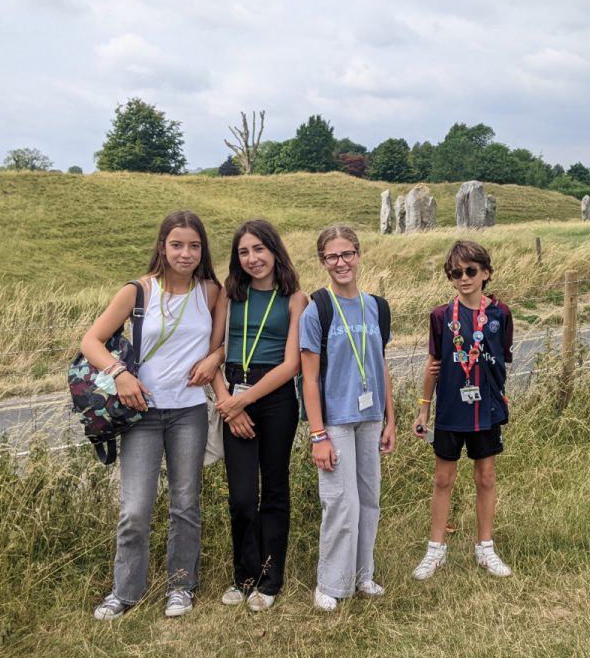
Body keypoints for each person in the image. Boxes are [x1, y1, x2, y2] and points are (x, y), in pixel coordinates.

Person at [84, 210, 222, 620]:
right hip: (141, 413)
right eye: (177, 244)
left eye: (194, 246)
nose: (185, 253)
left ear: (203, 250)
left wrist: (213, 359)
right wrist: (120, 374)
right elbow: (91, 341)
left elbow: (222, 342)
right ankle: (125, 591)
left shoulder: (210, 292)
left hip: (189, 412)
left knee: (185, 504)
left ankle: (181, 586)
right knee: (135, 508)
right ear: (162, 246)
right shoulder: (138, 291)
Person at [208, 220, 308, 611]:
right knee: (242, 497)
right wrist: (227, 403)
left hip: (276, 399)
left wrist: (244, 401)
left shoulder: (295, 299)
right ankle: (244, 576)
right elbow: (212, 354)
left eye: (259, 249)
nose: (253, 259)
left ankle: (269, 580)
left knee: (275, 490)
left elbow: (292, 364)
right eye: (244, 252)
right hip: (233, 392)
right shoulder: (230, 295)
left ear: (274, 251)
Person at [299, 224, 396, 612]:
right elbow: (309, 379)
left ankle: (362, 574)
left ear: (359, 255)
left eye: (347, 254)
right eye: (333, 256)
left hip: (371, 417)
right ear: (322, 261)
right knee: (342, 503)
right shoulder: (317, 310)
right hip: (335, 421)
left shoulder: (377, 307)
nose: (341, 263)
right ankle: (331, 583)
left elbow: (381, 365)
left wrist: (390, 419)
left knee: (369, 500)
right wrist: (317, 435)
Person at [411, 239, 514, 580]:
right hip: (451, 409)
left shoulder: (500, 313)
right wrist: (424, 410)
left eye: (471, 271)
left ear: (486, 273)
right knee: (443, 478)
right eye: (456, 273)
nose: (464, 278)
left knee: (486, 477)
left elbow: (502, 359)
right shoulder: (441, 316)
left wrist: (500, 395)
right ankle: (435, 550)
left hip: (486, 409)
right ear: (450, 278)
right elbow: (433, 364)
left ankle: (485, 548)